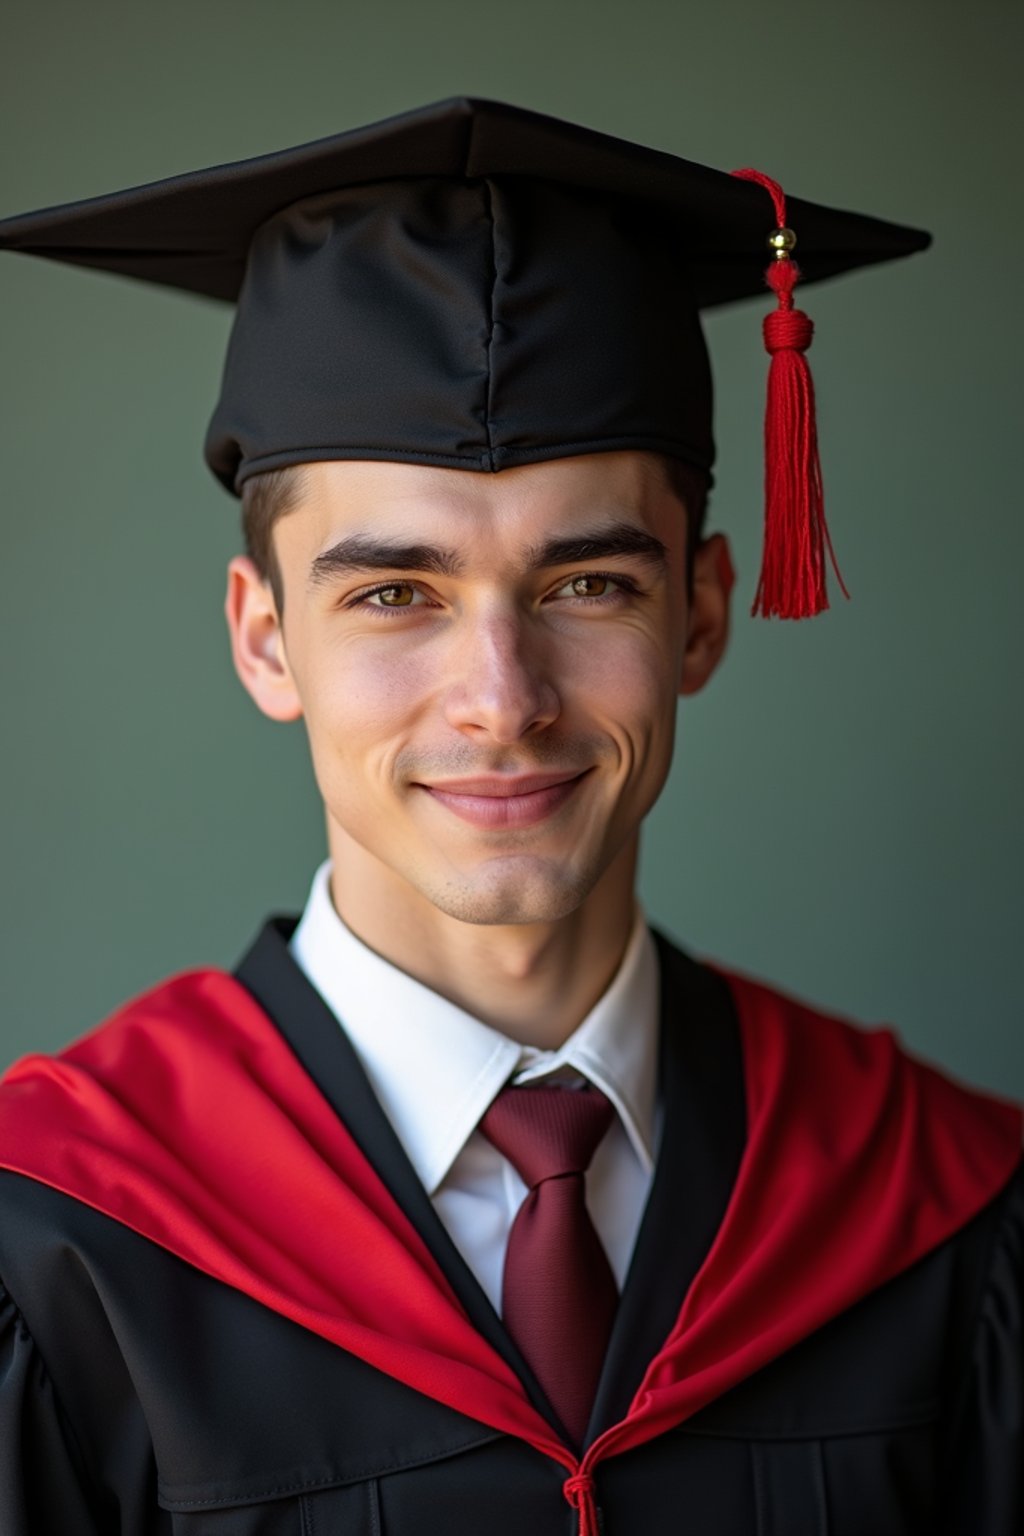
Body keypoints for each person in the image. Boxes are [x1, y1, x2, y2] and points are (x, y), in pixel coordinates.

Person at [0, 98, 1020, 1536]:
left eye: (588, 585)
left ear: (703, 615)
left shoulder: (934, 1202)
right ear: (265, 640)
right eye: (393, 596)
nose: (502, 698)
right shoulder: (58, 1241)